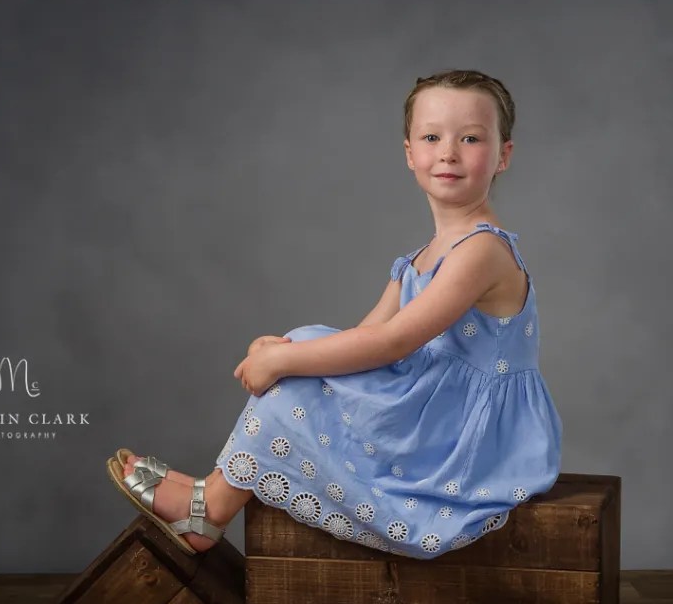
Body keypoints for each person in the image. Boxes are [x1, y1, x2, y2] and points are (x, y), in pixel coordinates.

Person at [107, 68, 563, 559]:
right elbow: (365, 335)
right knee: (306, 346)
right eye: (432, 136)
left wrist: (283, 362)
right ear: (410, 152)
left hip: (466, 438)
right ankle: (214, 487)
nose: (448, 152)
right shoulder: (424, 254)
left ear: (503, 155)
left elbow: (392, 344)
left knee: (299, 360)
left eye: (471, 138)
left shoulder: (482, 251)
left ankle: (209, 510)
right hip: (429, 409)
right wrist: (285, 347)